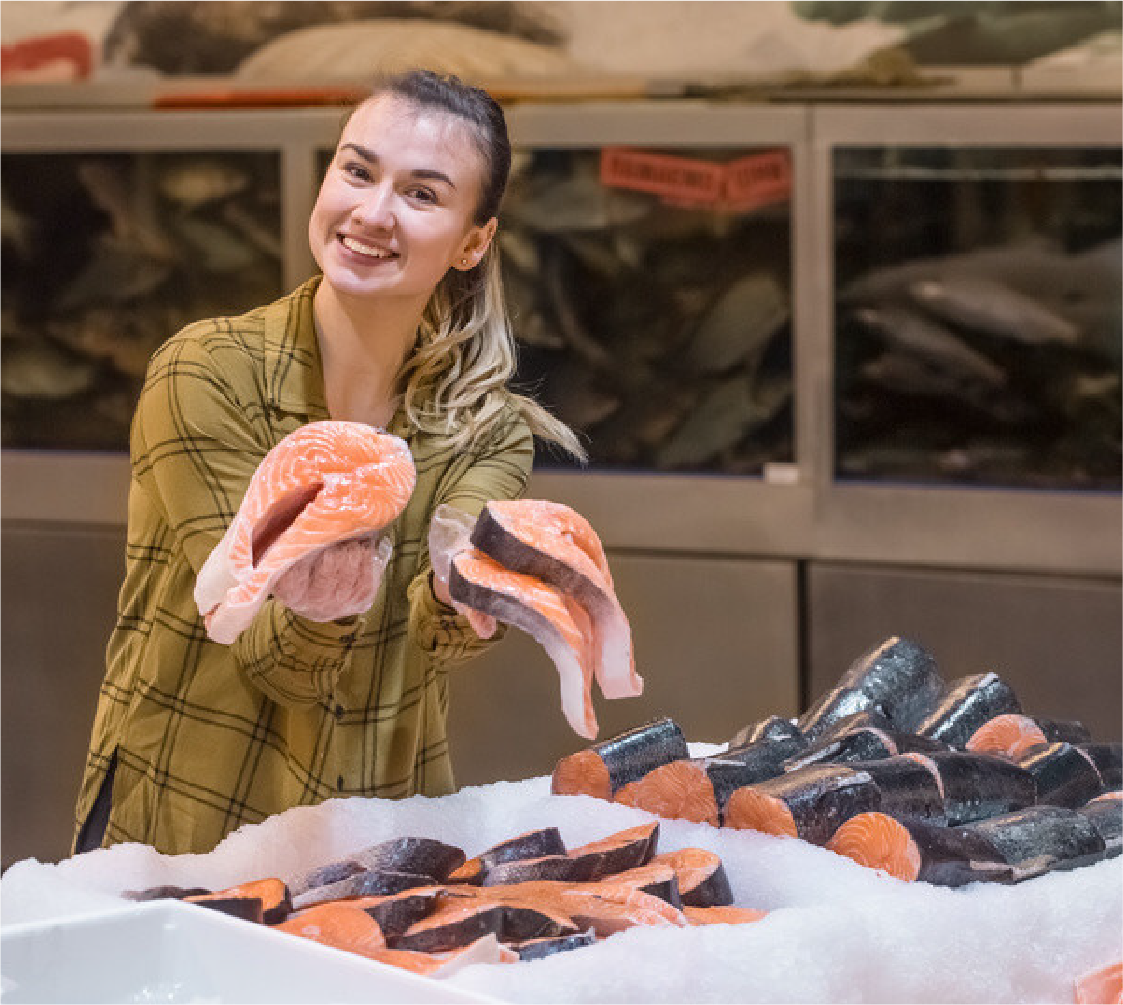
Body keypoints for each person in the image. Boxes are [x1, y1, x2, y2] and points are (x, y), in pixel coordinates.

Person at [73, 69, 584, 857]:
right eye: (357, 169)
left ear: (472, 240)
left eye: (421, 194)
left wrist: (470, 590)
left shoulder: (487, 429)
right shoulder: (205, 371)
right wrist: (325, 604)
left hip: (378, 832)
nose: (372, 213)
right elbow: (263, 649)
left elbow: (439, 632)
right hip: (185, 828)